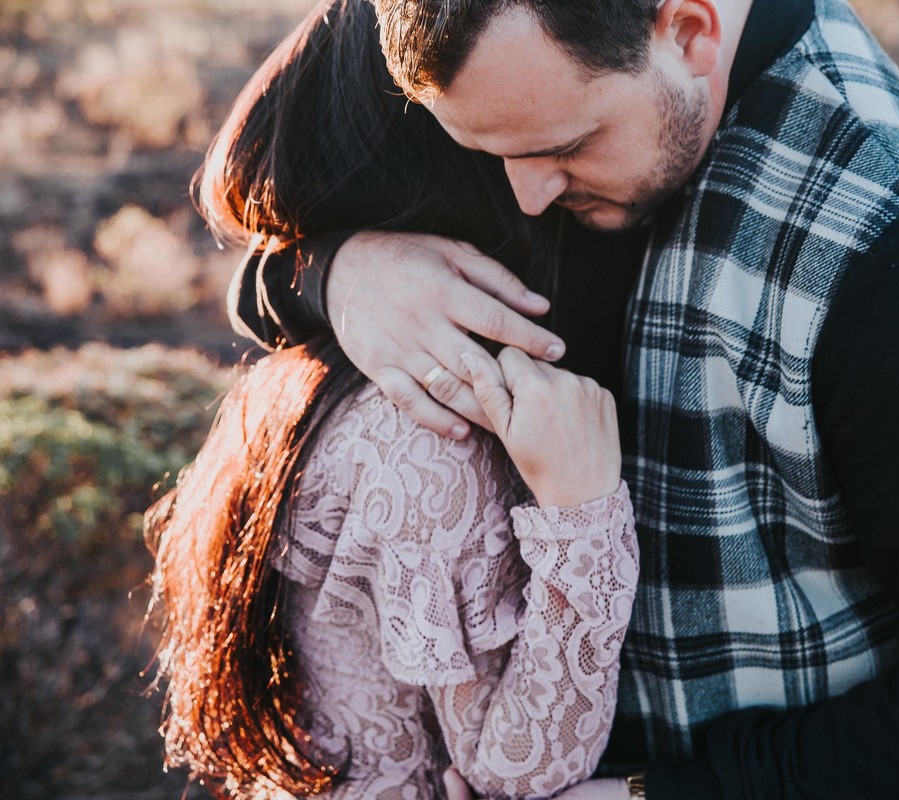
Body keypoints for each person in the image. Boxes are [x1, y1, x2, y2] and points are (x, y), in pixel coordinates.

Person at [231, 0, 899, 798]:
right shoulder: (460, 27)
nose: (526, 190)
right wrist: (338, 278)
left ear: (690, 32)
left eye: (563, 145)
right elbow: (263, 231)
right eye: (486, 153)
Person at [145, 3, 638, 797]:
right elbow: (515, 771)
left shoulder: (315, 371)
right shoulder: (431, 439)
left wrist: (328, 268)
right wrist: (585, 520)